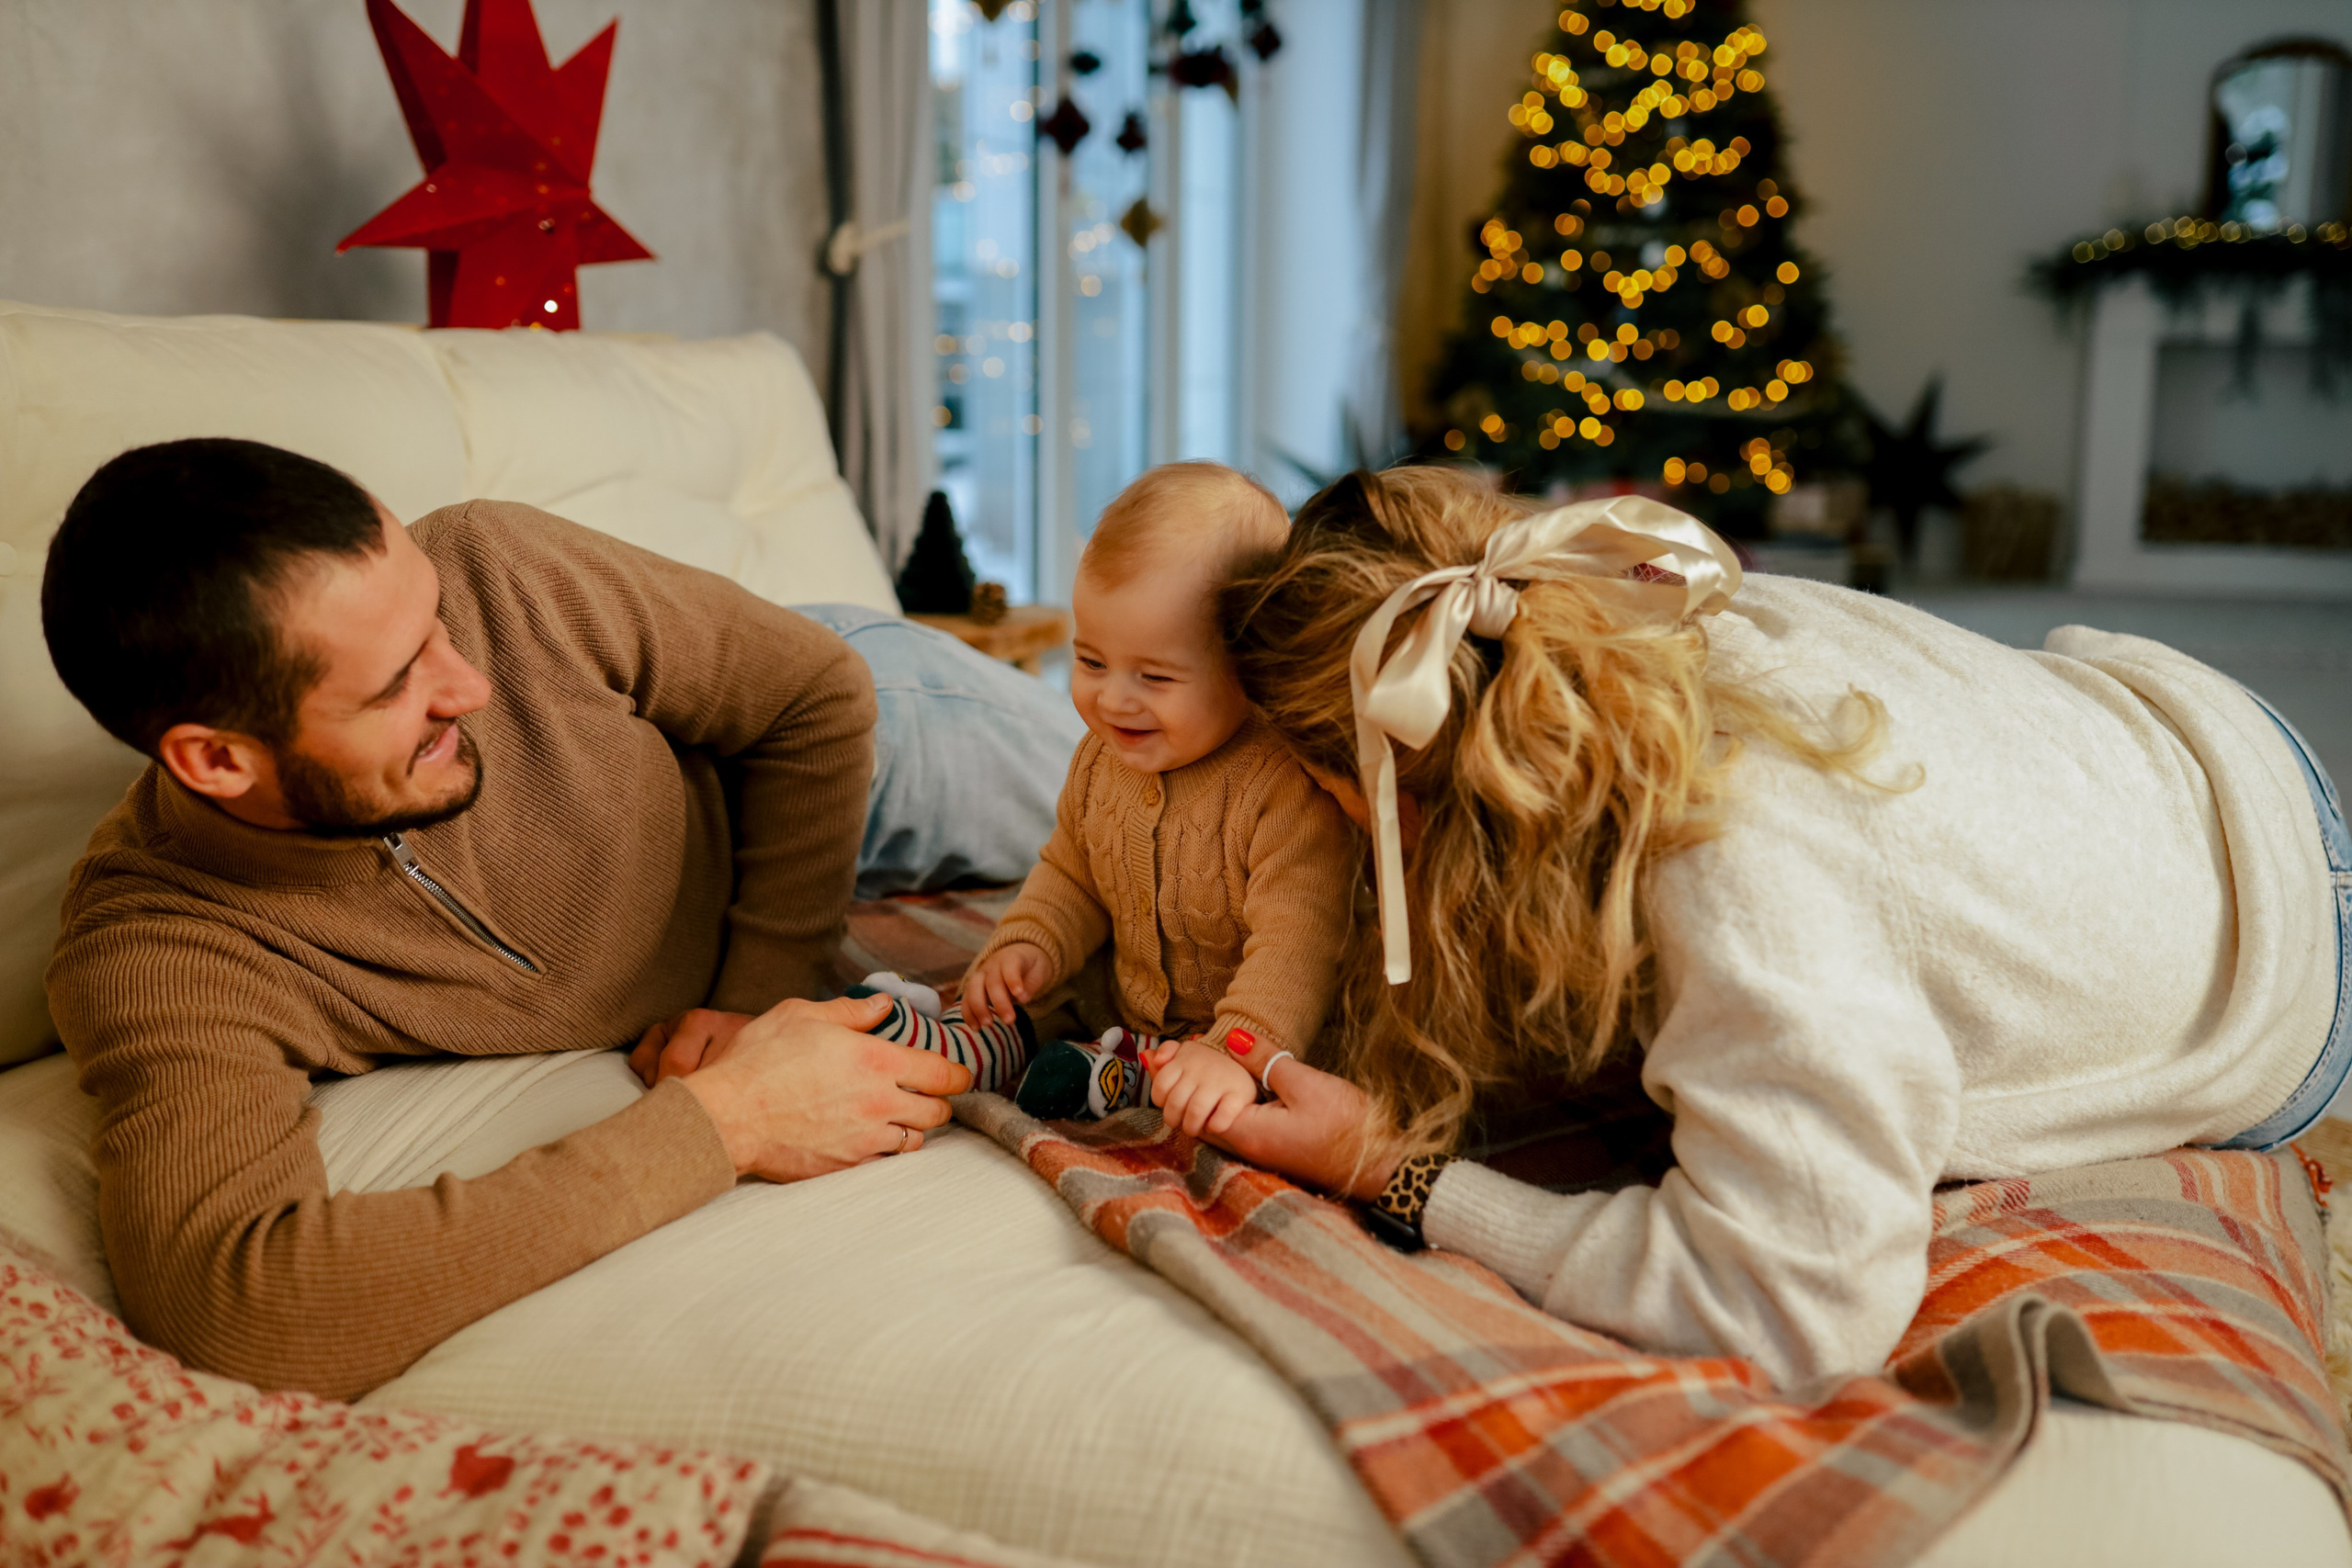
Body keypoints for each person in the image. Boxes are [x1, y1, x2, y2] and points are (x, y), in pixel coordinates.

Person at [1205, 465, 2345, 1391]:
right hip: (2200, 730)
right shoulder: (1624, 593)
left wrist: (1394, 1171)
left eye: (1310, 795)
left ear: (1400, 790)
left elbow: (1793, 1312)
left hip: (2290, 971)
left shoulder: (1735, 875)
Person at [39, 437, 1065, 1401]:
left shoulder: (498, 568)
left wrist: (757, 994)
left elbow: (815, 695)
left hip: (869, 731)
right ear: (217, 760)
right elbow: (238, 1310)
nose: (472, 683)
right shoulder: (160, 948)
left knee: (1189, 827)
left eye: (433, 619)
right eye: (398, 682)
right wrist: (727, 1124)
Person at [953, 462, 1360, 1134]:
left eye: (1155, 675)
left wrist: (1240, 1050)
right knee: (1030, 999)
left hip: (1262, 1039)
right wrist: (1031, 941)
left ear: (1249, 665)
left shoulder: (1285, 785)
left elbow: (1299, 940)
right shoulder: (1100, 758)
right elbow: (1071, 873)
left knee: (1236, 1096)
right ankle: (1014, 1042)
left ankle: (1123, 1072)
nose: (1112, 699)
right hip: (1130, 1016)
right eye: (1090, 662)